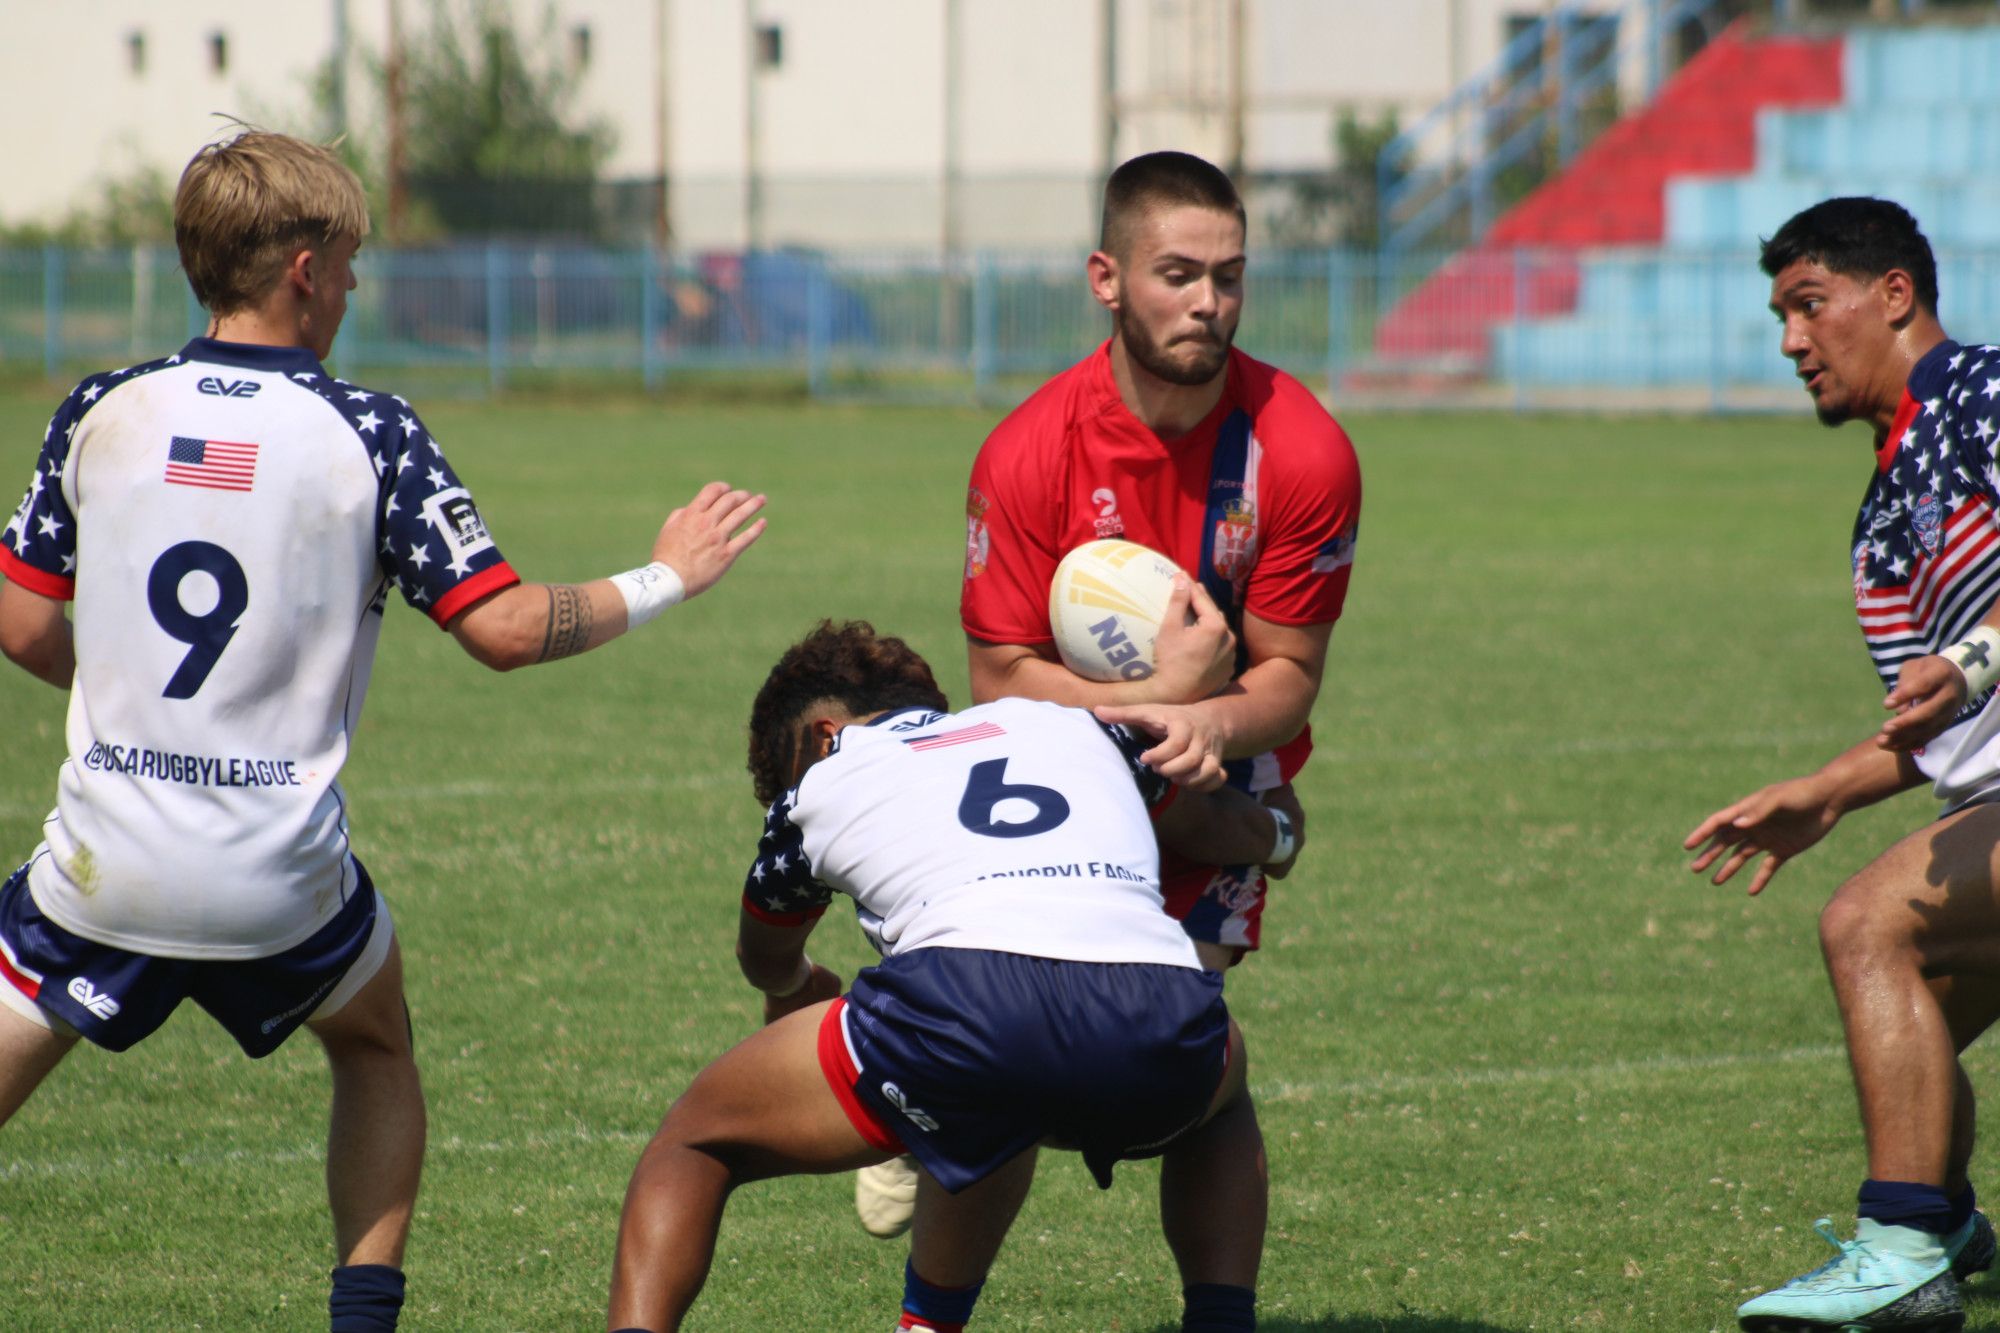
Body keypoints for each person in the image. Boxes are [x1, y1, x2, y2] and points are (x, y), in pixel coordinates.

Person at [0, 130, 764, 1333]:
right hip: (276, 880)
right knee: (372, 1044)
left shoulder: (101, 407)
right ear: (303, 269)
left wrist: (144, 705)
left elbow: (23, 618)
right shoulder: (371, 431)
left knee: (26, 985)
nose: (354, 292)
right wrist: (666, 576)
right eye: (350, 268)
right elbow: (503, 629)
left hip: (103, 863)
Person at [606, 620, 1301, 1333]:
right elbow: (1217, 829)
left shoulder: (819, 782)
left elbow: (766, 955)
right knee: (1219, 1087)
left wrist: (796, 986)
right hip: (1159, 1004)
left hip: (962, 1001)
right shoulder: (1078, 727)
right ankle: (1220, 1320)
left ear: (819, 734)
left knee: (694, 1143)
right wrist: (1281, 834)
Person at [1684, 197, 2000, 1332]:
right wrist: (1824, 788)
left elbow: (1965, 675)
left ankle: (1904, 1252)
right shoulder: (1878, 512)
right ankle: (1946, 1219)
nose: (1788, 341)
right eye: (1779, 314)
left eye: (1807, 305)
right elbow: (1943, 728)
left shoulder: (1982, 395)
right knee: (1912, 1032)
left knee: (1867, 928)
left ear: (1894, 295)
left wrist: (1969, 659)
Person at [959, 149, 1360, 972]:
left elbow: (1290, 668)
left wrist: (1204, 723)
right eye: (1177, 275)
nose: (1209, 304)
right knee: (1057, 1036)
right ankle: (1270, 832)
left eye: (1229, 277)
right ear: (1106, 280)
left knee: (1165, 1022)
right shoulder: (1026, 454)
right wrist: (1163, 696)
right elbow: (1001, 682)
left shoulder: (1304, 451)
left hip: (1222, 768)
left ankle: (1254, 827)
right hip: (1057, 772)